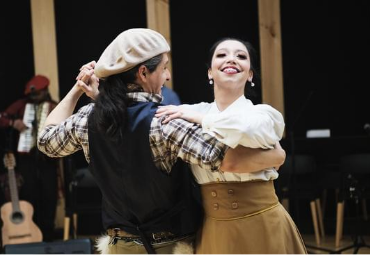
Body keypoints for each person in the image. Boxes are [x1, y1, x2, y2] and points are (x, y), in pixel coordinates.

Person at [37, 29, 285, 254]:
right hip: (168, 247)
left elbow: (46, 141)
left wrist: (77, 89)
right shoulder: (166, 122)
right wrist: (278, 155)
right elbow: (229, 161)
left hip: (118, 246)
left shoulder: (88, 117)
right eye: (164, 67)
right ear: (144, 73)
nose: (167, 76)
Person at [155, 37, 307, 253]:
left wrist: (201, 120)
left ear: (250, 74)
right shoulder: (193, 111)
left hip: (262, 222)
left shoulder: (263, 114)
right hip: (213, 227)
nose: (231, 59)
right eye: (222, 55)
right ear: (210, 72)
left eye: (241, 56)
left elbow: (245, 129)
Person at [0, 75, 59, 242]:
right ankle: (32, 233)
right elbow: (2, 118)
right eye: (31, 95)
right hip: (26, 158)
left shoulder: (54, 106)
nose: (33, 98)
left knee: (49, 195)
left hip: (48, 159)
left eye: (37, 94)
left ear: (44, 92)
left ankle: (48, 236)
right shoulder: (21, 105)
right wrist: (13, 123)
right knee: (29, 194)